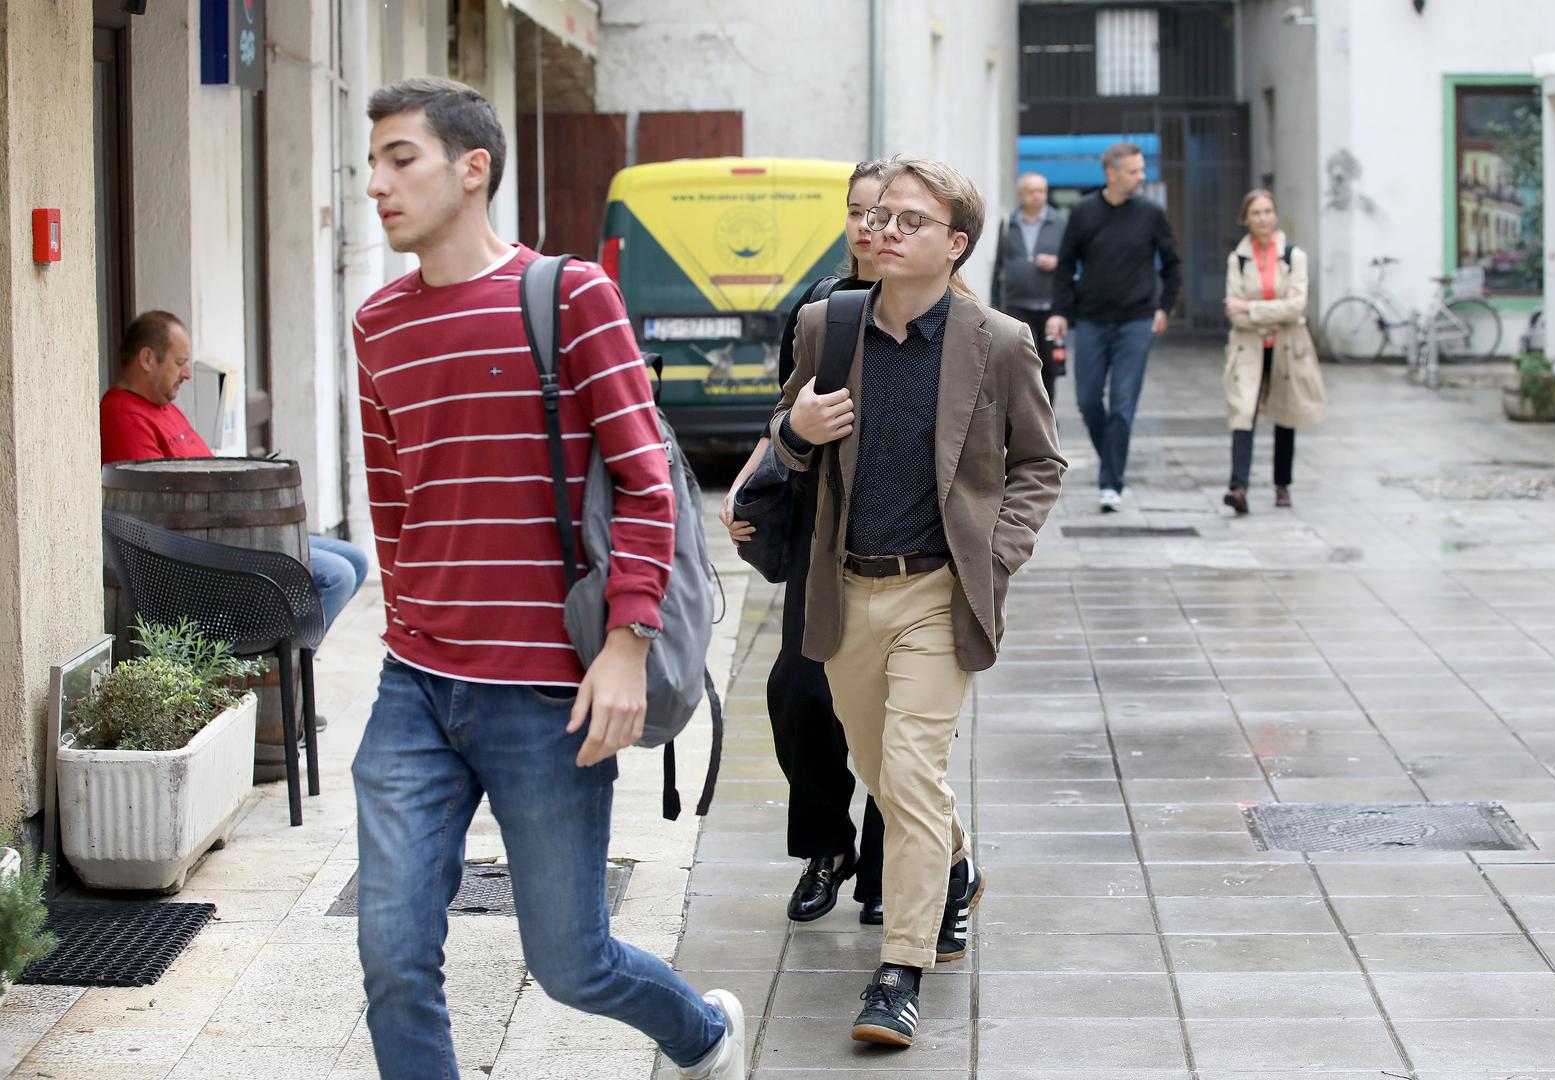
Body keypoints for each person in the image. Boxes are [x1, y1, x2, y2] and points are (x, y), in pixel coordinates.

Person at [350, 76, 744, 1080]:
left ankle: (701, 1034)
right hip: (418, 688)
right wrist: (411, 622)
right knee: (392, 953)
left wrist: (624, 644)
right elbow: (392, 502)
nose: (377, 186)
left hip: (545, 694)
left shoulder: (570, 296)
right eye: (372, 165)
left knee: (570, 963)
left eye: (401, 160)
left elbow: (650, 484)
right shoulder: (377, 325)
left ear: (472, 167)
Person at [770, 157, 1065, 1047]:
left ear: (955, 244)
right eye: (879, 218)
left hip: (938, 592)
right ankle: (957, 862)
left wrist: (994, 558)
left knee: (908, 769)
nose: (884, 231)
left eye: (909, 221)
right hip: (846, 589)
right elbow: (787, 440)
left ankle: (898, 972)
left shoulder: (998, 342)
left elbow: (1039, 465)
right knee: (887, 772)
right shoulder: (828, 327)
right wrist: (793, 433)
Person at [721, 161, 888, 927]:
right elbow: (784, 409)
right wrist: (749, 479)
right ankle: (828, 844)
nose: (867, 226)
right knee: (797, 694)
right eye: (856, 211)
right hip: (821, 536)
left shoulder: (950, 313)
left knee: (895, 713)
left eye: (883, 212)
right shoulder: (821, 307)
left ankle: (892, 865)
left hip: (905, 545)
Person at [100, 310, 369, 635]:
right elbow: (157, 514)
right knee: (337, 575)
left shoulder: (163, 406)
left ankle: (284, 661)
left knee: (356, 559)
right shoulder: (122, 415)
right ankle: (279, 670)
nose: (187, 373)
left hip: (235, 532)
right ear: (147, 359)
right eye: (180, 362)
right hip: (206, 551)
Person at [1046, 141, 1181, 512]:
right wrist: (1060, 311)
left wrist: (1164, 307)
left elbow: (1172, 264)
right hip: (1090, 320)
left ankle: (1111, 481)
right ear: (1112, 173)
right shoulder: (1085, 213)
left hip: (1136, 322)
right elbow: (1065, 265)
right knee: (1088, 400)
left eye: (1141, 169)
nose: (1142, 176)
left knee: (1122, 403)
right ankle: (1112, 459)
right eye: (1135, 170)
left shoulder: (1151, 214)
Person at [1221, 189, 1326, 514]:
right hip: (1248, 347)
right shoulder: (1237, 259)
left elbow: (1296, 309)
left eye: (1268, 211)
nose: (1263, 218)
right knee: (1243, 412)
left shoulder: (1293, 256)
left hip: (1287, 345)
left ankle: (1283, 486)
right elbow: (1233, 312)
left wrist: (1251, 308)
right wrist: (1272, 309)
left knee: (1285, 413)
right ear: (1246, 218)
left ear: (1275, 215)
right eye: (1256, 213)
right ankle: (1238, 487)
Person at [990, 171, 1068, 403]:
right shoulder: (1008, 225)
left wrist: (1057, 262)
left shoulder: (1059, 223)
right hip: (1016, 305)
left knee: (1049, 366)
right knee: (1022, 362)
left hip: (1050, 305)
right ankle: (1024, 414)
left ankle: (1048, 412)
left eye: (1042, 191)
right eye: (1032, 191)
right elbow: (999, 266)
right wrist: (995, 305)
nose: (1038, 196)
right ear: (1021, 195)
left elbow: (1072, 261)